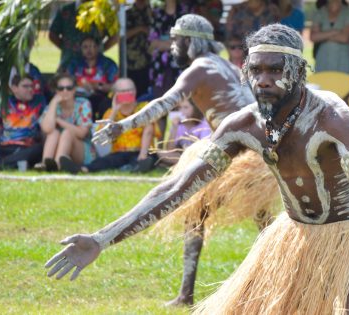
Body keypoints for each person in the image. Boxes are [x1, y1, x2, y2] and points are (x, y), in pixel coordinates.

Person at [45, 23, 349, 314]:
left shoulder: (332, 117)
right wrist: (103, 238)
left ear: (298, 73)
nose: (264, 80)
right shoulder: (242, 125)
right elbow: (175, 190)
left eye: (276, 70)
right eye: (257, 70)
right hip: (291, 236)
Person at [65, 14, 279, 307]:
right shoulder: (228, 66)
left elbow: (164, 103)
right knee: (259, 220)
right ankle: (267, 283)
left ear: (191, 42)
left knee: (196, 214)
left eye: (177, 41)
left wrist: (122, 126)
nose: (172, 47)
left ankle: (190, 293)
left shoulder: (200, 67)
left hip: (240, 154)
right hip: (259, 153)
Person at [58, 78, 159, 174]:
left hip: (142, 151)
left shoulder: (145, 107)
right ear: (115, 94)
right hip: (119, 153)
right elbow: (102, 137)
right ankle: (82, 169)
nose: (127, 93)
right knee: (105, 161)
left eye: (129, 90)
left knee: (146, 159)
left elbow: (149, 131)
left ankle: (139, 166)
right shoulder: (110, 113)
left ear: (135, 91)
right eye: (122, 91)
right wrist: (115, 111)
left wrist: (143, 154)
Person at [0, 75, 46, 168]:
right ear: (14, 88)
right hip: (4, 147)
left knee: (38, 149)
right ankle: (10, 162)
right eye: (25, 86)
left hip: (26, 147)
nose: (30, 89)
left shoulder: (39, 101)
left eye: (32, 86)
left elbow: (44, 129)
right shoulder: (4, 102)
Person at [36, 73, 95, 172]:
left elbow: (82, 133)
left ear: (74, 89)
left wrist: (59, 121)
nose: (65, 91)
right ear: (56, 90)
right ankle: (45, 164)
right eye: (61, 88)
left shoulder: (83, 104)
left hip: (81, 150)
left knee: (67, 133)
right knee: (53, 133)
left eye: (69, 88)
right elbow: (47, 129)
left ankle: (58, 165)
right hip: (57, 146)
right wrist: (54, 102)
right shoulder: (52, 106)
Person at [48, 0, 118, 71]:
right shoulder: (65, 10)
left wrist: (99, 49)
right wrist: (67, 48)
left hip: (96, 66)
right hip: (69, 63)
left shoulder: (104, 11)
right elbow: (53, 34)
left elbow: (115, 36)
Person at [67, 35, 119, 120]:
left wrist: (98, 86)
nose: (89, 50)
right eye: (85, 47)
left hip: (102, 97)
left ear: (98, 48)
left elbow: (115, 86)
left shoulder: (108, 64)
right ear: (81, 49)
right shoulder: (74, 64)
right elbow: (67, 82)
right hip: (78, 97)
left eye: (92, 46)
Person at [156, 100, 211, 167]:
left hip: (199, 155)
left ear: (195, 108)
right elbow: (170, 150)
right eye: (180, 108)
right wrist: (174, 127)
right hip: (182, 156)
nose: (182, 111)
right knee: (160, 153)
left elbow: (205, 147)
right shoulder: (178, 125)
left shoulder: (203, 123)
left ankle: (180, 165)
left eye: (186, 107)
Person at [310, 0, 349, 74]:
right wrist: (335, 32)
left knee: (342, 83)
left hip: (343, 58)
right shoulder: (319, 12)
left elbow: (344, 38)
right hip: (323, 57)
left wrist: (323, 36)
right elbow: (313, 37)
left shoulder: (348, 12)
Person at [126, 0, 152, 98]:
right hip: (131, 62)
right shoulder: (127, 13)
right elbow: (121, 36)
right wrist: (140, 29)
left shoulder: (152, 12)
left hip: (149, 61)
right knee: (131, 93)